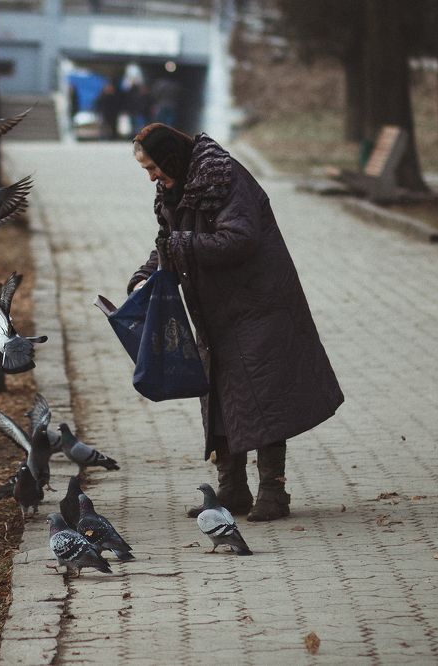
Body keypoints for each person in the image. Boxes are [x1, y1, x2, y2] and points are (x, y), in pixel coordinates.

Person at [128, 124, 343, 521]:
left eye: (153, 167)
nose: (152, 177)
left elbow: (240, 238)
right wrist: (144, 276)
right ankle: (232, 490)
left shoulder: (224, 177)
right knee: (220, 398)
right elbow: (168, 241)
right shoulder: (175, 187)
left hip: (259, 304)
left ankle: (273, 493)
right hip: (217, 310)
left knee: (264, 397)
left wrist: (180, 246)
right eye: (147, 170)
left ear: (171, 157)